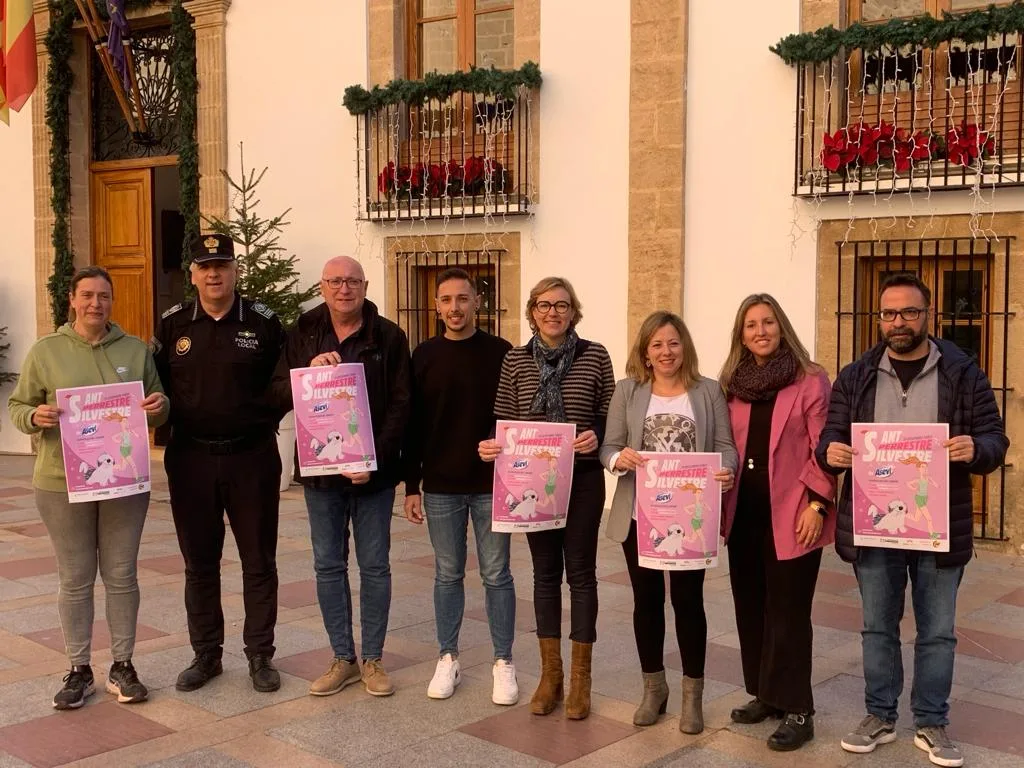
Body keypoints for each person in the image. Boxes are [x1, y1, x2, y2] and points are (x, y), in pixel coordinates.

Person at [816, 272, 1008, 768]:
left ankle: (931, 721)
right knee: (878, 628)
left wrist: (976, 449)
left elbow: (995, 438)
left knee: (937, 630)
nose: (897, 322)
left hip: (937, 526)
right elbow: (830, 437)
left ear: (928, 315)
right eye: (888, 313)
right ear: (879, 318)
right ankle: (879, 714)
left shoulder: (963, 372)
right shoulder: (856, 375)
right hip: (875, 525)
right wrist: (830, 452)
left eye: (908, 312)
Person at [8, 266, 169, 710]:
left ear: (111, 302)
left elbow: (157, 404)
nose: (96, 304)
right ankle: (78, 669)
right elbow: (19, 404)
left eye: (103, 296)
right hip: (60, 483)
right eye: (87, 296)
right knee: (75, 577)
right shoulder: (47, 351)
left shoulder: (135, 350)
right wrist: (32, 417)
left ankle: (123, 665)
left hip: (124, 481)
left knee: (121, 575)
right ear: (72, 302)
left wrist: (159, 406)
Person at [273, 255, 411, 698]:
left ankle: (372, 659)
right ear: (323, 285)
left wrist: (373, 457)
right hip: (321, 476)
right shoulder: (303, 331)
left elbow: (401, 407)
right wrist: (307, 373)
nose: (344, 289)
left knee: (374, 566)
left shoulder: (389, 336)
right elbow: (277, 389)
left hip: (373, 475)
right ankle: (342, 658)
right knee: (328, 566)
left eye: (352, 281)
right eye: (335, 281)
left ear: (365, 285)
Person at [154, 234, 286, 694]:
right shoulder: (172, 325)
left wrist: (258, 423)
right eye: (205, 266)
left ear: (235, 271)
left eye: (223, 266)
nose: (214, 274)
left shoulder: (265, 324)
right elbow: (158, 391)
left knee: (258, 561)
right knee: (200, 563)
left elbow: (285, 386)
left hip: (251, 458)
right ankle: (206, 654)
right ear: (192, 274)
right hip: (190, 459)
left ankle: (260, 656)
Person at [479, 276, 615, 721]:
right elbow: (503, 419)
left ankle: (581, 681)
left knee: (581, 574)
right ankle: (549, 676)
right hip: (532, 484)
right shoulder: (515, 361)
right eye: (543, 305)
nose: (552, 312)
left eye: (562, 305)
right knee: (543, 575)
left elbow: (610, 416)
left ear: (574, 311)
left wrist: (597, 435)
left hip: (583, 481)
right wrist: (493, 447)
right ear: (532, 312)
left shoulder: (595, 355)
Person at [599, 311, 737, 734]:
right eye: (656, 344)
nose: (666, 352)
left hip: (689, 518)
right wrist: (617, 459)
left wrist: (726, 472)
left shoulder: (709, 391)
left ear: (685, 346)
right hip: (642, 515)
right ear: (645, 351)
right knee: (646, 602)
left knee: (689, 602)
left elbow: (725, 448)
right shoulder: (628, 391)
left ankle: (692, 696)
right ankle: (654, 689)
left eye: (673, 343)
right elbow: (608, 447)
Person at [718, 294, 836, 751]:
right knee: (750, 605)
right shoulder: (732, 382)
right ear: (741, 334)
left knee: (789, 611)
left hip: (794, 510)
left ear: (781, 326)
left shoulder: (809, 380)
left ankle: (799, 707)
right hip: (743, 510)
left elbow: (824, 446)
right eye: (751, 325)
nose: (760, 331)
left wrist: (817, 504)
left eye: (768, 322)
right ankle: (765, 694)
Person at [402, 267, 517, 705]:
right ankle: (447, 656)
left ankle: (503, 660)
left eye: (463, 299)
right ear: (436, 305)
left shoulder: (501, 352)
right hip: (441, 487)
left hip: (492, 484)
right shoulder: (424, 355)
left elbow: (514, 417)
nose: (455, 307)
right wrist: (412, 484)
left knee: (496, 575)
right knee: (447, 574)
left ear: (477, 302)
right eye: (446, 299)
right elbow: (412, 427)